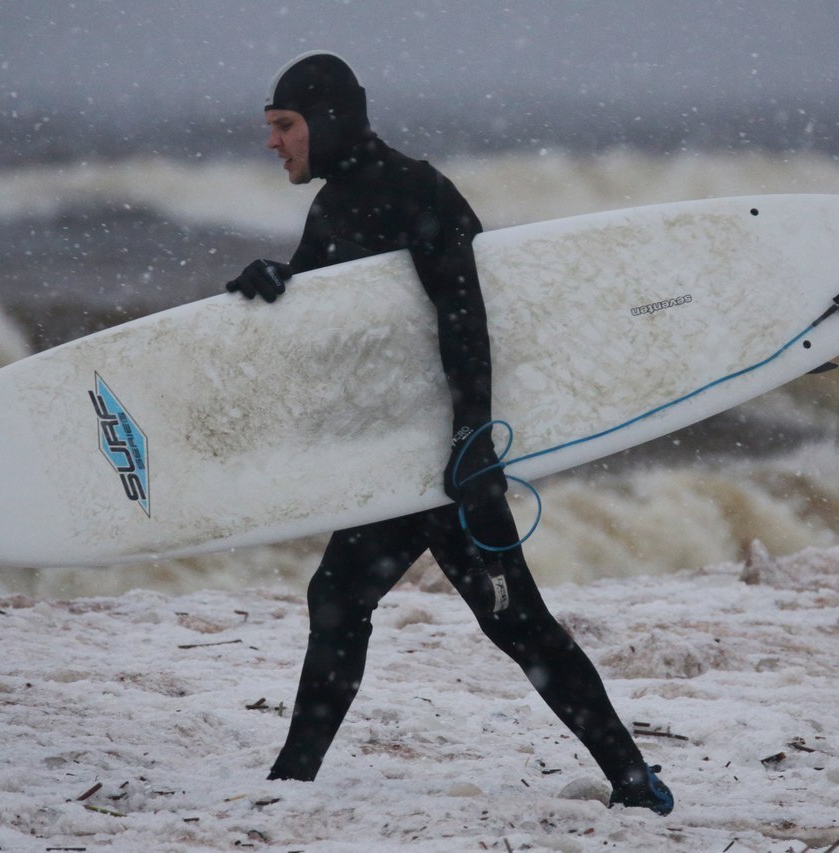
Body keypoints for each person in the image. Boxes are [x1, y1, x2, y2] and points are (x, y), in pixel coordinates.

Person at [224, 51, 673, 816]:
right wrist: (277, 285)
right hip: (399, 457)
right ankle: (290, 782)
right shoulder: (334, 206)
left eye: (285, 126)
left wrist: (473, 442)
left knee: (515, 622)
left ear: (327, 120)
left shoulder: (417, 192)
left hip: (451, 459)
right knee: (340, 595)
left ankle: (635, 779)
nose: (274, 143)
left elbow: (466, 317)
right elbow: (340, 323)